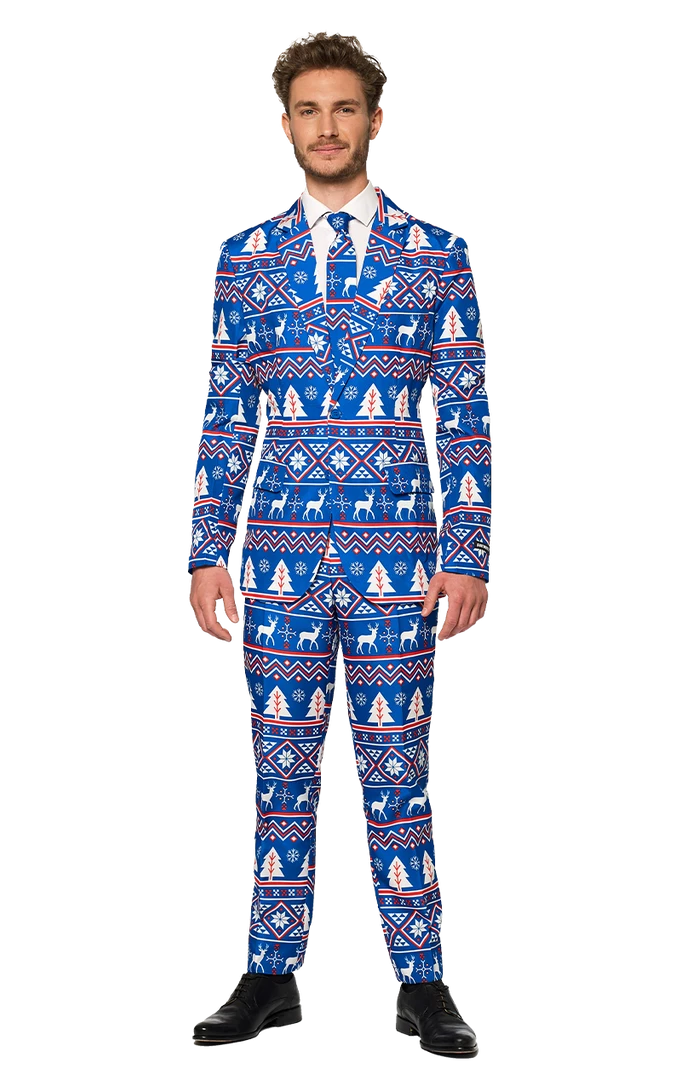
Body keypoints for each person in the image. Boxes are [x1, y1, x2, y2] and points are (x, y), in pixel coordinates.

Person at [188, 30, 492, 1059]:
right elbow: (225, 413)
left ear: (375, 121)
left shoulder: (437, 254)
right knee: (277, 769)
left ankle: (424, 985)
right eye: (308, 109)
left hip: (400, 558)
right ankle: (270, 977)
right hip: (272, 554)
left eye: (345, 109)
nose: (326, 127)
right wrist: (205, 549)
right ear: (284, 123)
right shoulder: (245, 259)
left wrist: (469, 551)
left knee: (400, 768)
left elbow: (465, 412)